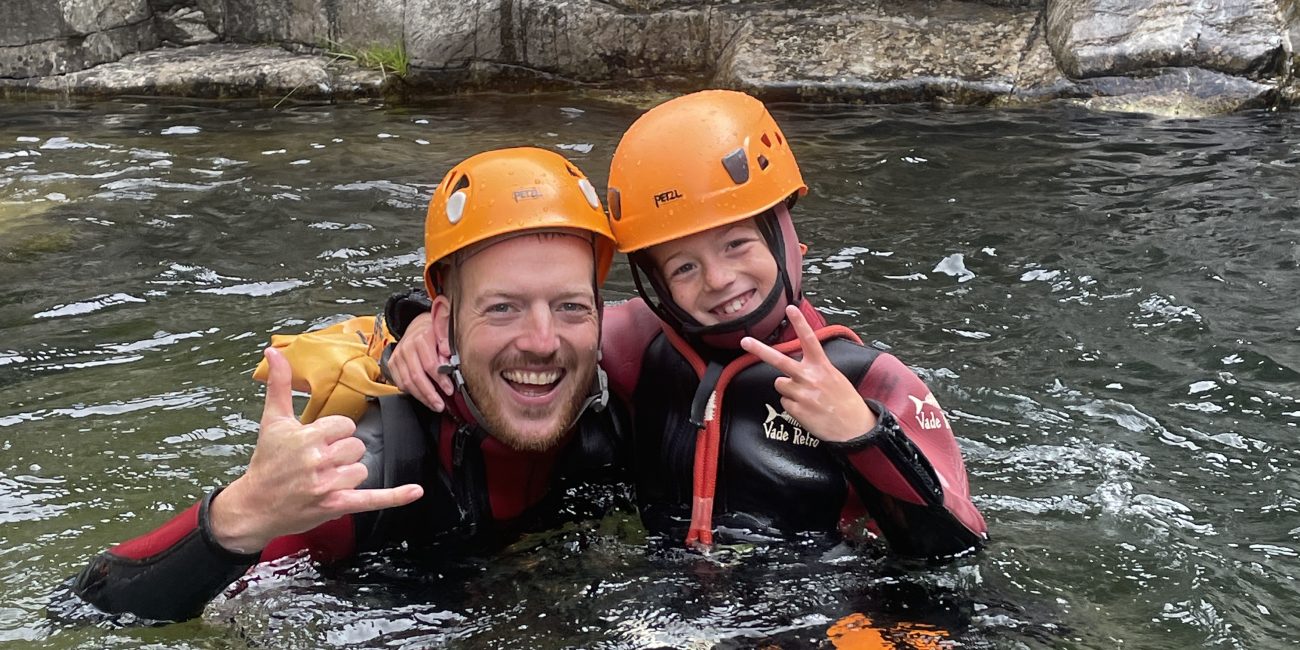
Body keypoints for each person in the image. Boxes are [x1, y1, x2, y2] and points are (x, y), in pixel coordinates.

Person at [387, 91, 987, 558]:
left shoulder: (869, 380)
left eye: (736, 244)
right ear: (656, 283)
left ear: (790, 241)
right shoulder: (637, 344)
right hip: (676, 606)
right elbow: (530, 334)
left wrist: (862, 433)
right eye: (684, 266)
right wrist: (416, 324)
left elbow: (959, 546)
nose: (719, 280)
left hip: (821, 601)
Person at [63, 147, 627, 622]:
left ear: (601, 314)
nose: (543, 340)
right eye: (502, 307)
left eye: (570, 306)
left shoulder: (623, 403)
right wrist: (245, 513)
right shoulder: (370, 471)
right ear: (446, 321)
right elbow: (87, 607)